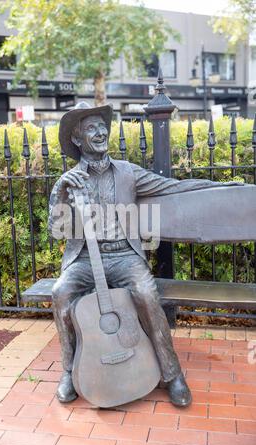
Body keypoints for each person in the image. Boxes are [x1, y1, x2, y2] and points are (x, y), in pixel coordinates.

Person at [48, 102, 237, 407]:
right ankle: (69, 372)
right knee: (60, 292)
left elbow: (174, 187)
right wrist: (59, 193)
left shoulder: (127, 173)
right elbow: (56, 230)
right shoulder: (70, 181)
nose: (100, 132)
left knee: (146, 292)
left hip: (124, 257)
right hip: (85, 259)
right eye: (91, 128)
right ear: (77, 139)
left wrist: (220, 186)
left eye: (101, 126)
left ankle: (171, 374)